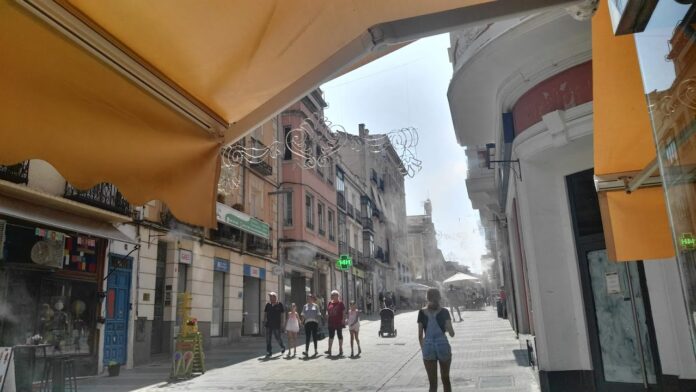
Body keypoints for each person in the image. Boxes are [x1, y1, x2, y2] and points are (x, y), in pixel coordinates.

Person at [418, 288, 455, 392]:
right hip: (443, 345)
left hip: (428, 347)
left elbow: (420, 335)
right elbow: (452, 333)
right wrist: (446, 328)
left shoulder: (421, 312)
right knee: (446, 380)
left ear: (427, 298)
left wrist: (424, 349)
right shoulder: (444, 312)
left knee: (432, 384)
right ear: (439, 298)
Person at [263, 292, 285, 357]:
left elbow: (282, 314)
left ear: (275, 297)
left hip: (277, 324)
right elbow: (265, 313)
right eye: (270, 297)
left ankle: (282, 346)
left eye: (271, 296)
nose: (270, 298)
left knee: (277, 337)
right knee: (268, 339)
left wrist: (282, 323)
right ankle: (269, 351)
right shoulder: (268, 304)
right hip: (268, 324)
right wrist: (264, 320)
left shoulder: (279, 304)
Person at [325, 290, 346, 357]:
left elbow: (343, 312)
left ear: (337, 296)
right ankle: (329, 349)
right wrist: (326, 314)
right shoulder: (329, 303)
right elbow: (327, 310)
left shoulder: (341, 303)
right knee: (331, 336)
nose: (332, 296)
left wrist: (343, 320)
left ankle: (340, 349)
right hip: (331, 322)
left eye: (333, 295)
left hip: (338, 322)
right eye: (331, 295)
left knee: (339, 335)